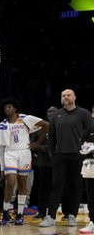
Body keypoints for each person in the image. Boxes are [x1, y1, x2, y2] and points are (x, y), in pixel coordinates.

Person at [39, 89, 92, 227]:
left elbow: (90, 134)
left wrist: (84, 152)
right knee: (56, 185)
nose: (66, 97)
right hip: (59, 155)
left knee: (75, 186)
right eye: (63, 95)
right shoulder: (56, 115)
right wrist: (52, 153)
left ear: (74, 97)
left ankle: (71, 215)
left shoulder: (84, 114)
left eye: (68, 95)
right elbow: (52, 137)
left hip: (78, 156)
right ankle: (50, 216)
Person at [0, 99, 47, 225]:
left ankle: (20, 214)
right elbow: (0, 147)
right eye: (5, 107)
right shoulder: (2, 125)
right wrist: (2, 168)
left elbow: (46, 125)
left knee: (23, 185)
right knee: (10, 183)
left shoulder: (25, 119)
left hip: (24, 153)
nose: (7, 109)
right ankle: (5, 212)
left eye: (9, 106)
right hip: (9, 153)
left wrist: (37, 143)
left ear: (15, 108)